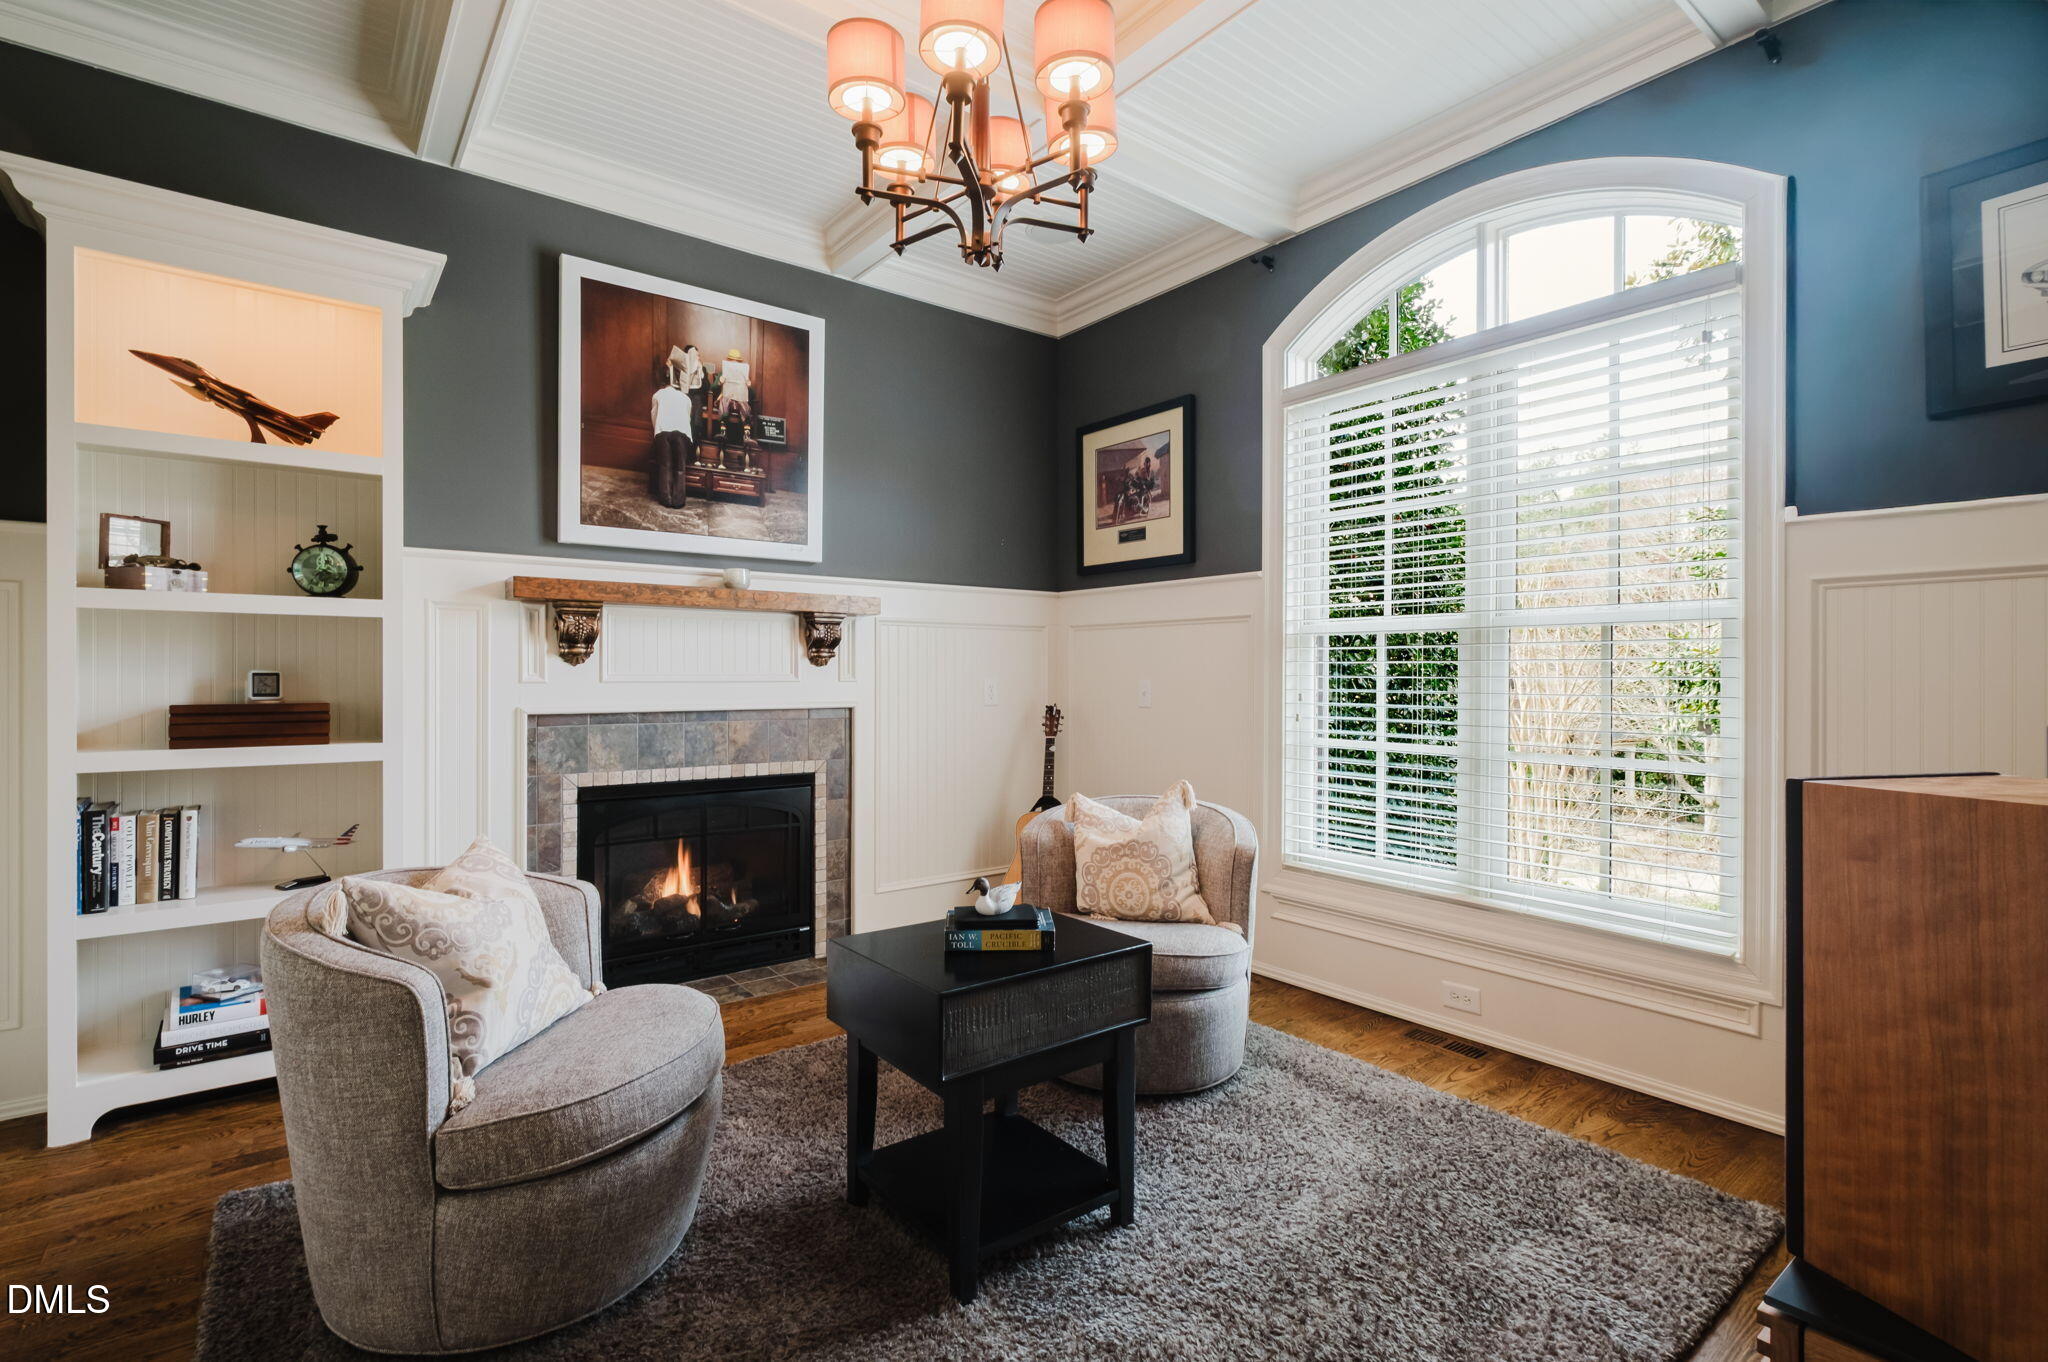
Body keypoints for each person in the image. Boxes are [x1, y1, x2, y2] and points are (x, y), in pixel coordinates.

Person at [648, 357, 696, 509]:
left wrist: (658, 432)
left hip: (663, 431)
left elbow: (654, 416)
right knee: (680, 468)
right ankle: (678, 500)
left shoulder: (657, 395)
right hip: (681, 432)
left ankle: (665, 499)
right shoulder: (686, 398)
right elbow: (687, 418)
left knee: (665, 465)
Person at [716, 347, 760, 450]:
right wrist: (719, 382)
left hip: (740, 400)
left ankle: (747, 435)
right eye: (732, 361)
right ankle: (723, 432)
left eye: (736, 361)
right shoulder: (723, 373)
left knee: (745, 406)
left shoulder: (744, 376)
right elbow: (713, 388)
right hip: (727, 399)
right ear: (729, 362)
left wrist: (748, 385)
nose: (734, 363)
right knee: (724, 402)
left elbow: (753, 395)